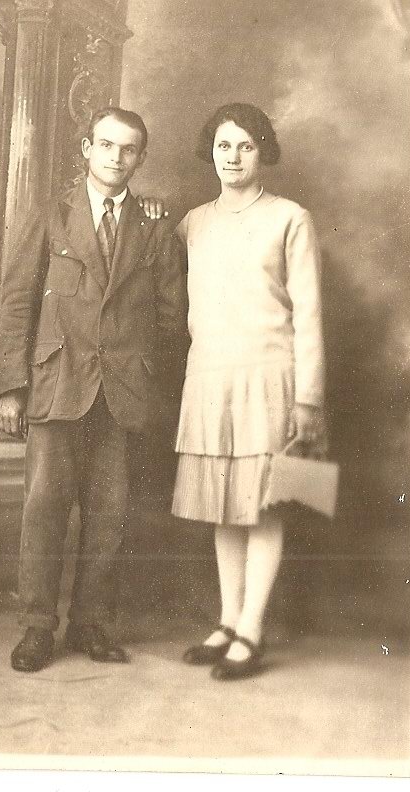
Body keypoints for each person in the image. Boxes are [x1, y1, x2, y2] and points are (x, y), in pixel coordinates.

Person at [0, 107, 188, 672]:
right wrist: (12, 386)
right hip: (58, 385)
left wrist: (154, 381)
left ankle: (90, 623)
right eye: (106, 145)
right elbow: (16, 303)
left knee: (110, 512)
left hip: (123, 393)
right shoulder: (50, 214)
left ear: (140, 157)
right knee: (44, 508)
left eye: (129, 149)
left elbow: (170, 316)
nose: (116, 158)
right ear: (86, 148)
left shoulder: (154, 226)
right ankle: (37, 627)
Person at [171, 103, 326, 680]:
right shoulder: (192, 222)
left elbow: (309, 313)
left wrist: (308, 397)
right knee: (223, 503)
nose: (232, 157)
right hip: (210, 375)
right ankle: (227, 619)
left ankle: (252, 628)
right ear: (209, 151)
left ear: (264, 152)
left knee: (265, 505)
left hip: (271, 377)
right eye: (222, 145)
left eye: (245, 146)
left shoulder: (291, 218)